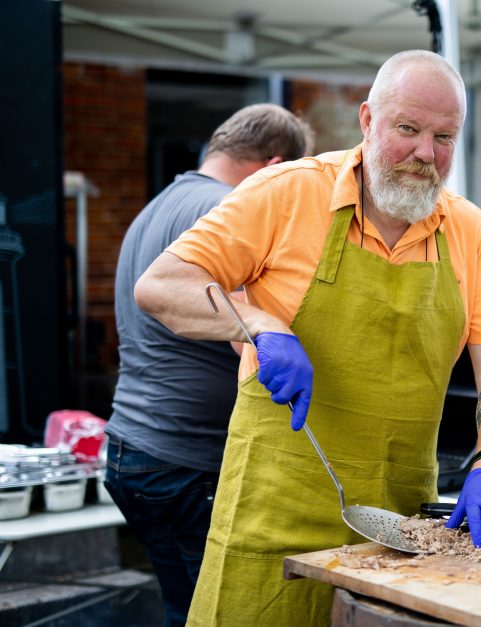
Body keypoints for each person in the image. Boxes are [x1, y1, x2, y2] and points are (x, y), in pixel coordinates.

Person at [133, 50, 481, 626]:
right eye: (408, 129)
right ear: (368, 121)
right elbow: (163, 285)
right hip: (274, 513)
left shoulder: (466, 228)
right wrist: (261, 325)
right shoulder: (286, 193)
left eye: (445, 137)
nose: (426, 153)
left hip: (398, 526)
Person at [105, 104, 314, 627]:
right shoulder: (228, 212)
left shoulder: (157, 207)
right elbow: (243, 342)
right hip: (185, 459)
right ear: (274, 168)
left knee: (185, 605)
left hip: (134, 447)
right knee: (219, 612)